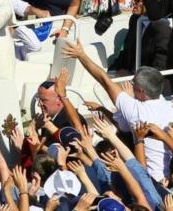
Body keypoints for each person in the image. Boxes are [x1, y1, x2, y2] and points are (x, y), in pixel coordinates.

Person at [63, 40, 173, 182]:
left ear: (141, 91)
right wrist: (104, 108)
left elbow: (104, 80)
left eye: (133, 84)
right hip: (166, 178)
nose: (131, 86)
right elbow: (124, 128)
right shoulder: (166, 106)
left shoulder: (136, 110)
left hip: (151, 180)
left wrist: (81, 55)